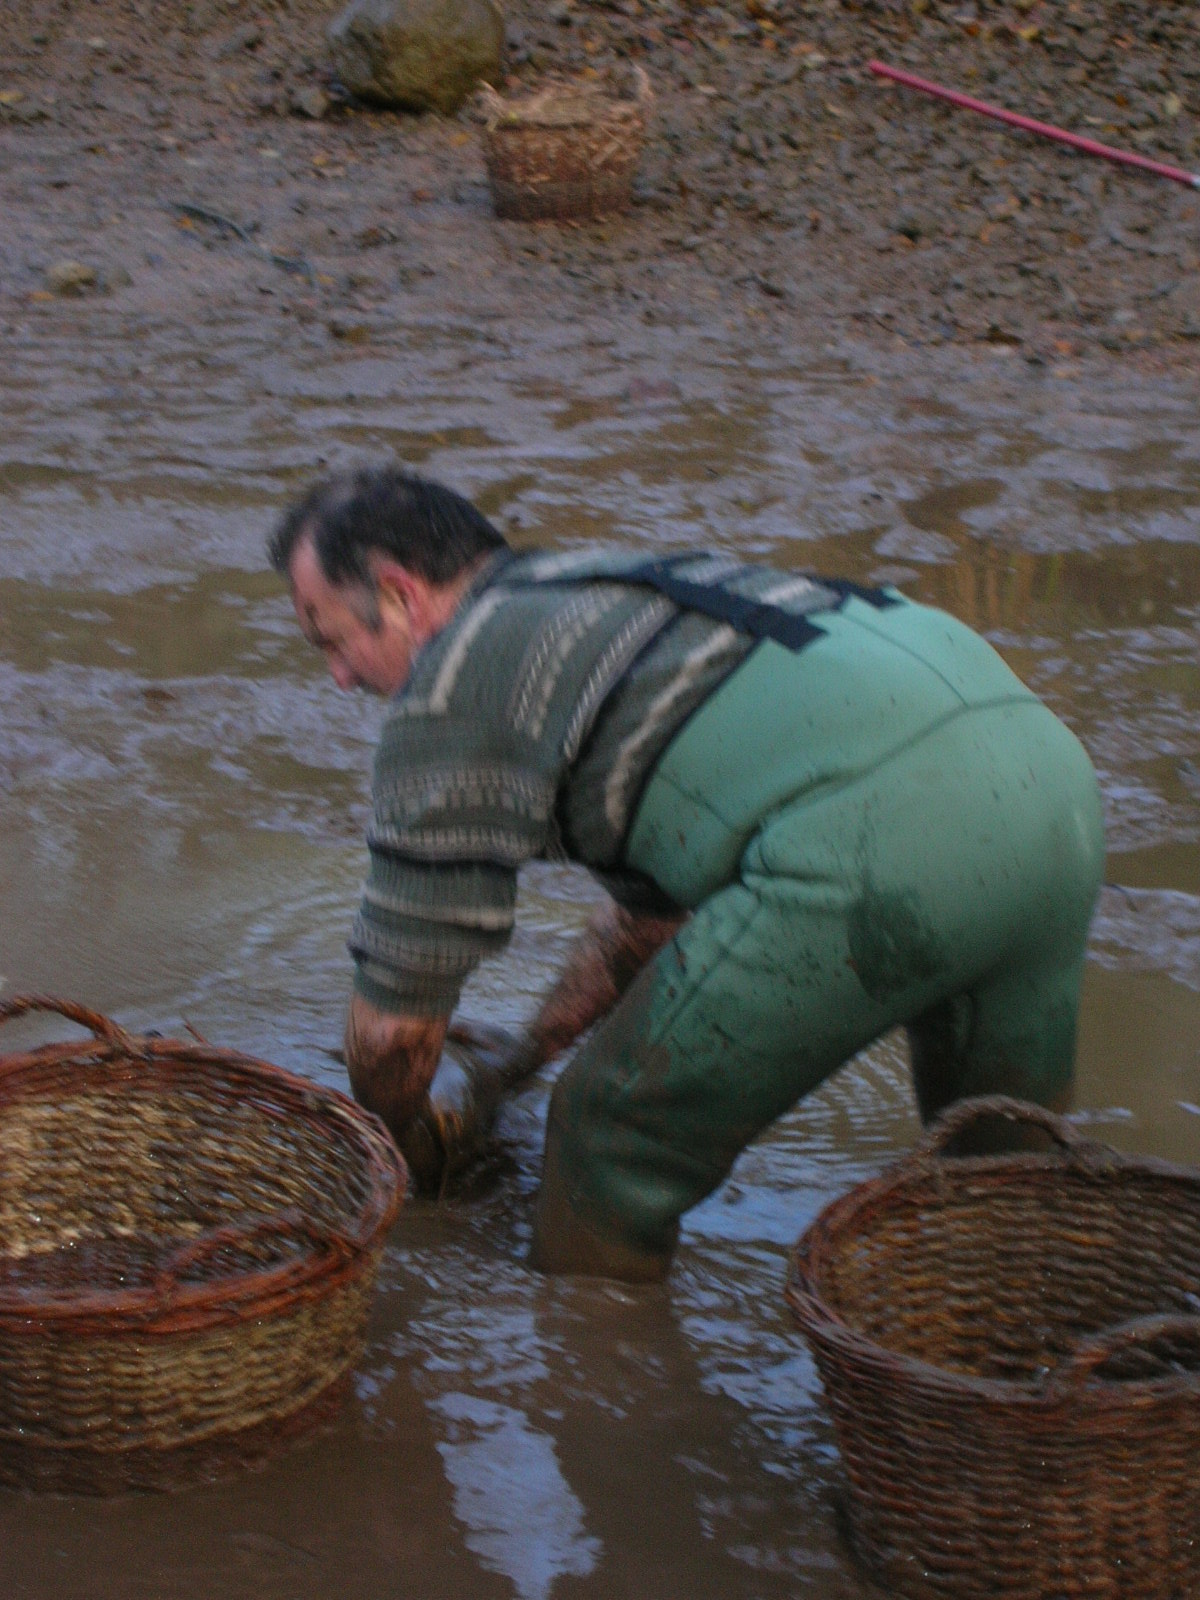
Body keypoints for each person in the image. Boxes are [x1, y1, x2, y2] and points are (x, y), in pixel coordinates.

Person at [268, 464, 1105, 1282]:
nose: (338, 679)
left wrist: (404, 1159)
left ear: (401, 594)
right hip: (1052, 794)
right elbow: (649, 928)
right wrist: (520, 1060)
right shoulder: (604, 600)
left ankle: (606, 1393)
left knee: (606, 1138)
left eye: (332, 640)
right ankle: (1036, 1372)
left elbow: (392, 1033)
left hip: (893, 836)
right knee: (1002, 1177)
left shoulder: (454, 685)